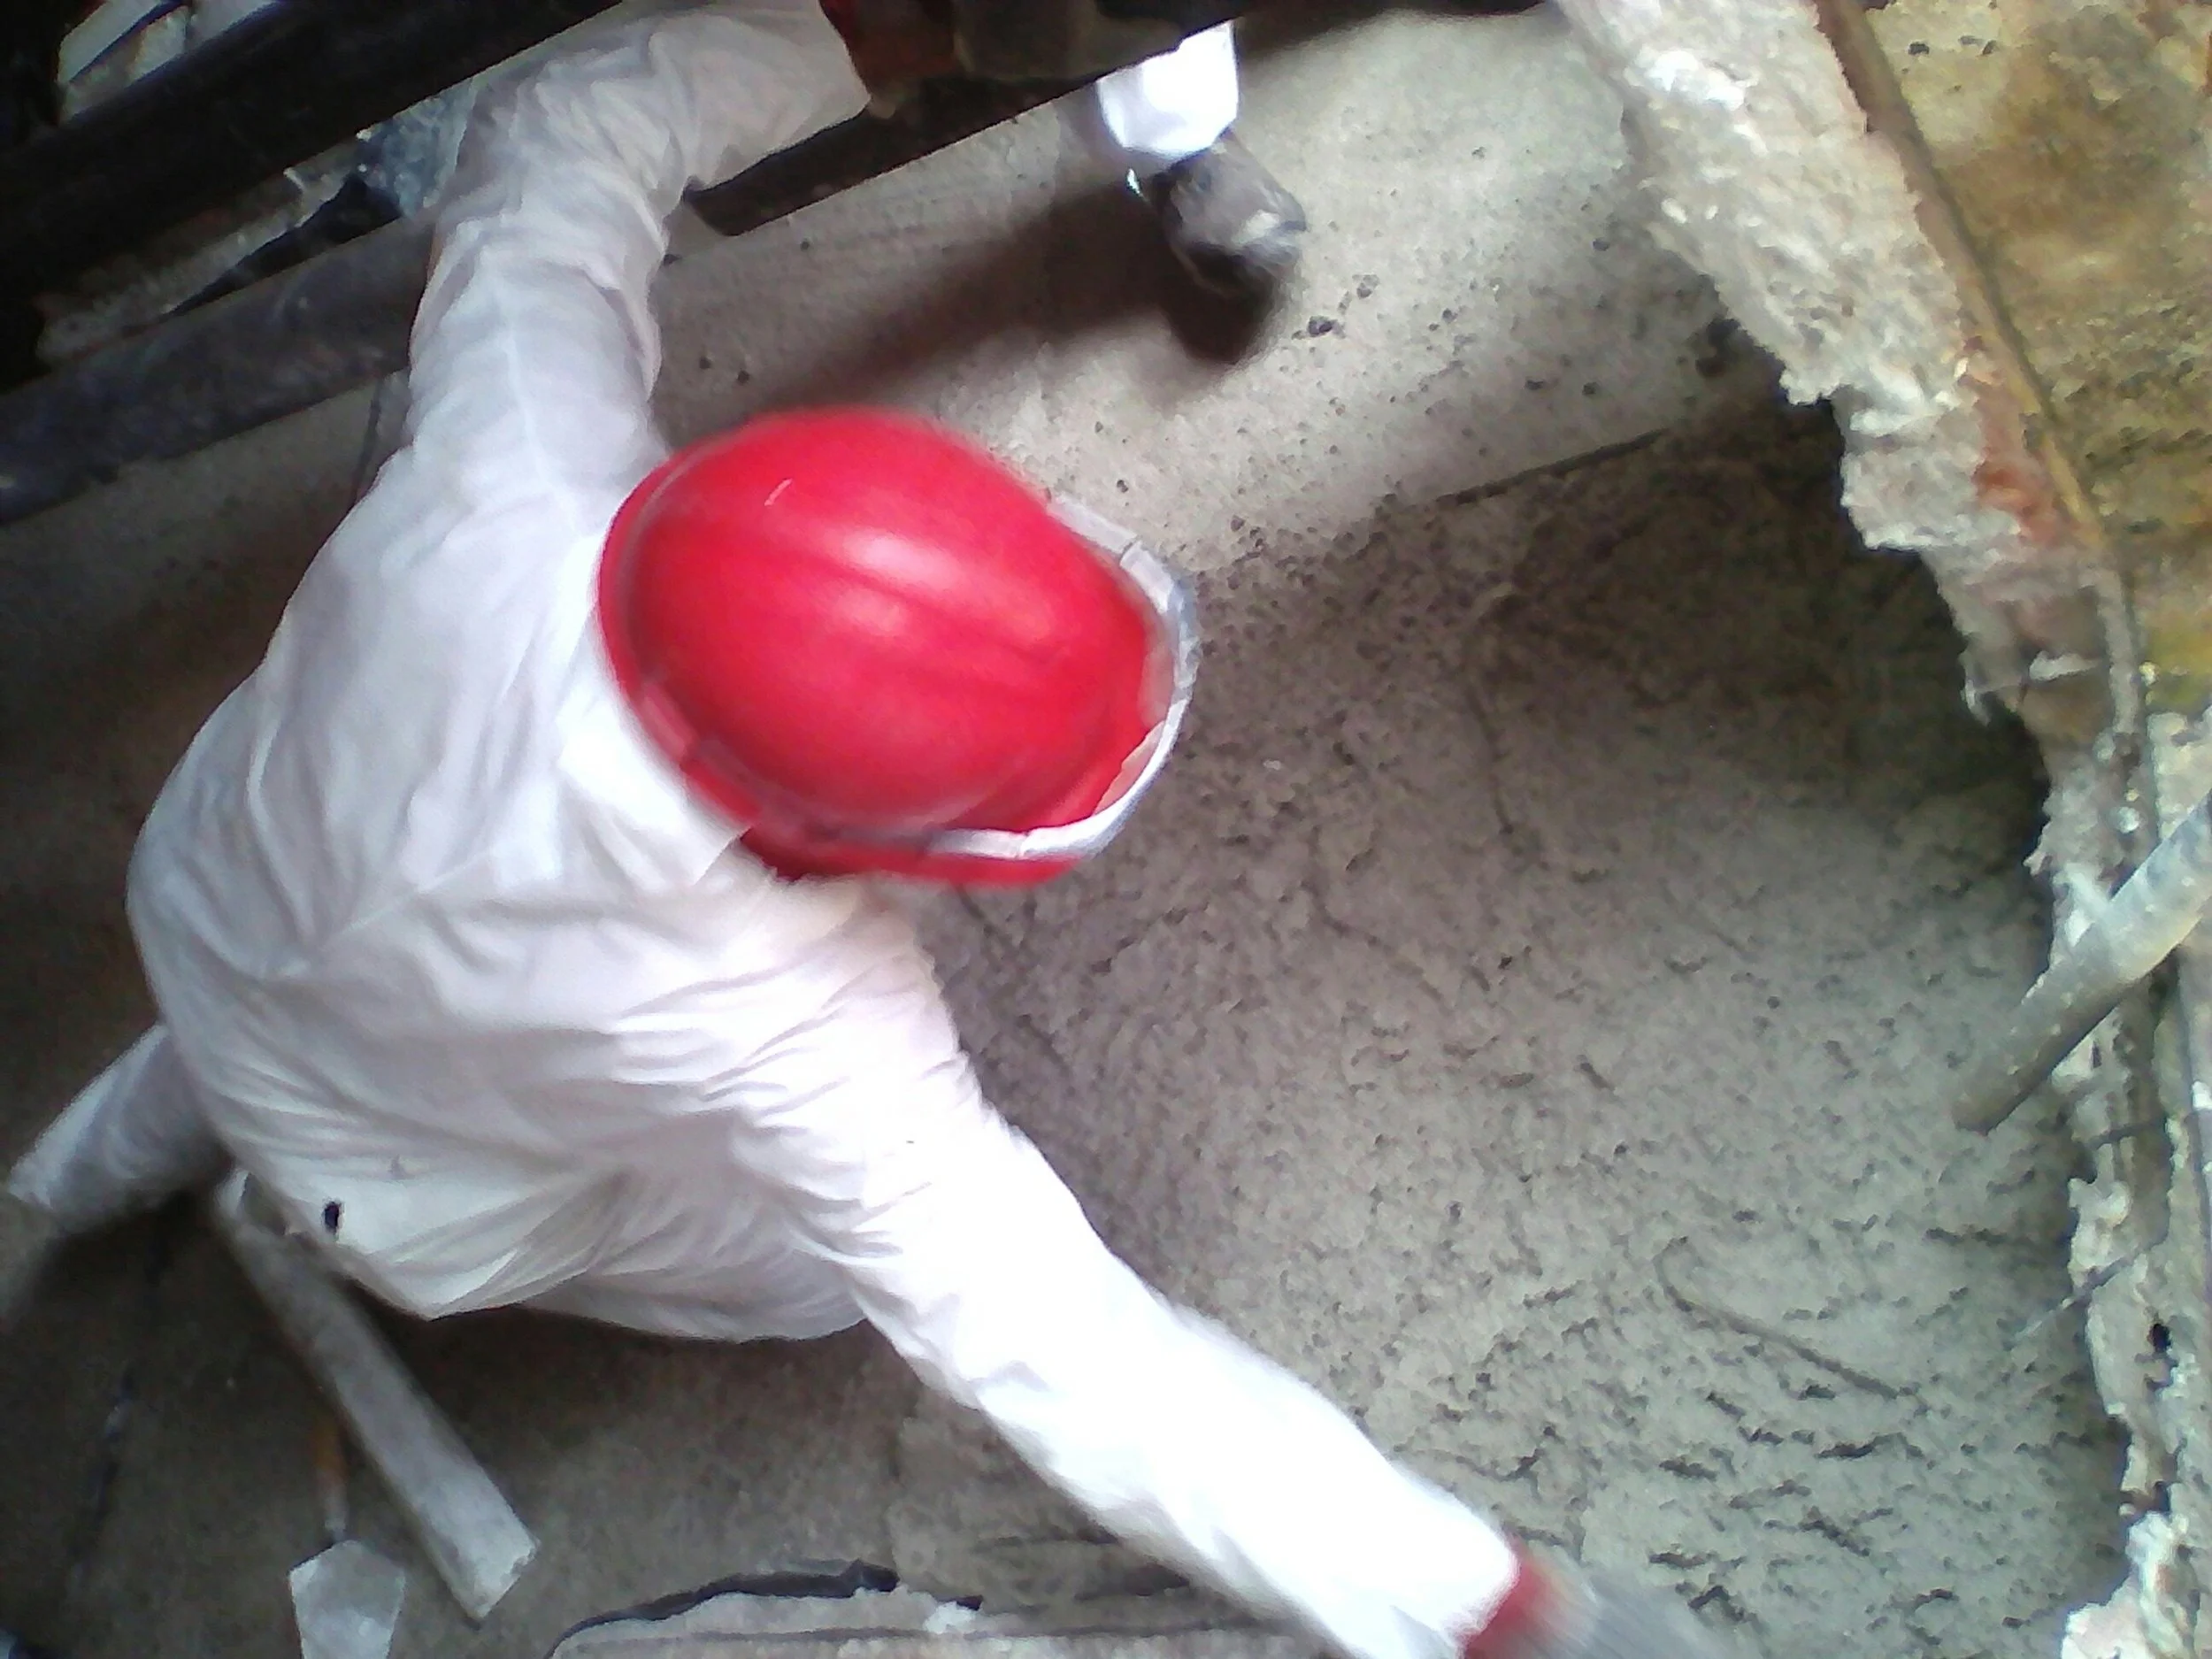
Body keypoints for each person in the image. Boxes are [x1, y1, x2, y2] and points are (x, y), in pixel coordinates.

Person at [8, 8, 1715, 1659]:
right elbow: (1067, 1354)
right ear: (842, 845)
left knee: (221, 1040)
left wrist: (864, 29)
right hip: (390, 1193)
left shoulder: (515, 461)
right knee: (813, 1275)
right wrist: (1468, 1599)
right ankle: (112, 1164)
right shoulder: (801, 1030)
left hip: (214, 884)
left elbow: (557, 142)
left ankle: (48, 1184)